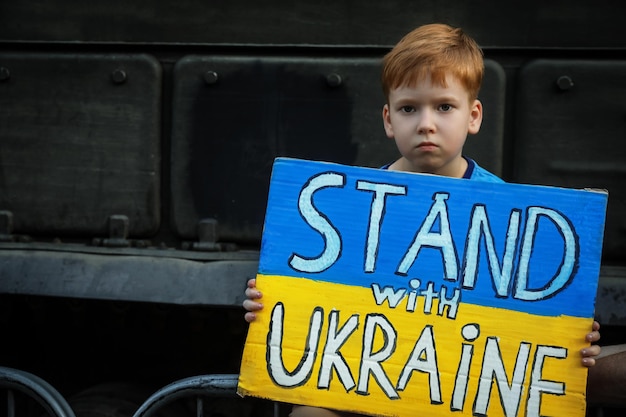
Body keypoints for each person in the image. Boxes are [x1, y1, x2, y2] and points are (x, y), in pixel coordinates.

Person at [242, 22, 602, 415]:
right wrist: (272, 301)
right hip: (362, 379)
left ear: (474, 115)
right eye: (409, 108)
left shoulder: (504, 209)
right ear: (388, 119)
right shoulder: (351, 203)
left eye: (444, 106)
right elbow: (311, 300)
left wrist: (570, 339)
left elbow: (530, 312)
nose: (426, 123)